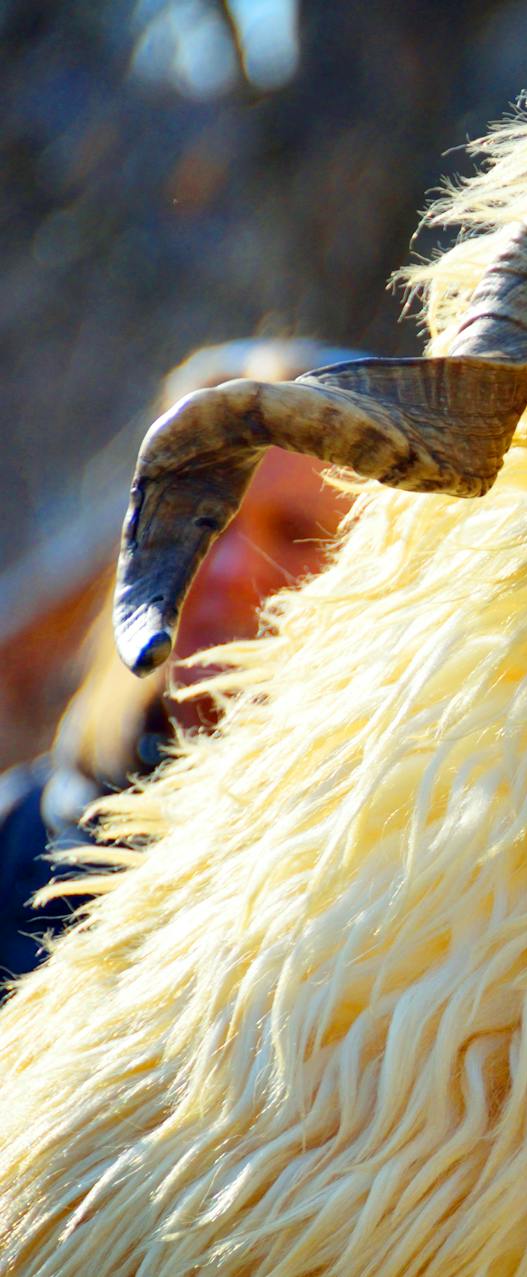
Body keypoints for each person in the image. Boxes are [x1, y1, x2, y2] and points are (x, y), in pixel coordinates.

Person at [0, 344, 351, 984]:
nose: (229, 569)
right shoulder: (13, 837)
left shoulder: (398, 883)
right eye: (203, 521)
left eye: (297, 533)